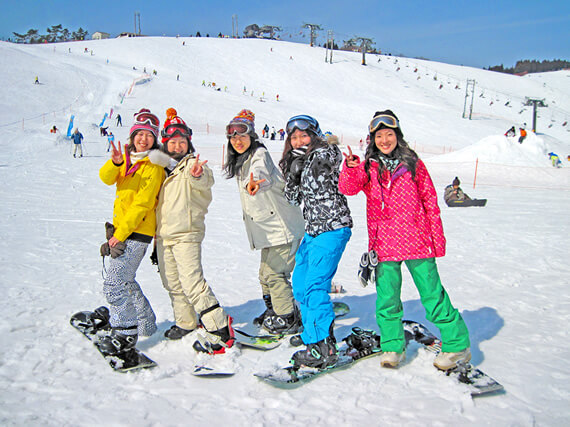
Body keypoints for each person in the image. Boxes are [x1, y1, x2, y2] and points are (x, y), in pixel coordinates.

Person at [338, 109, 471, 370]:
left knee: (432, 296)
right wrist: (350, 168)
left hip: (418, 241)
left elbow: (430, 201)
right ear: (372, 138)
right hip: (384, 244)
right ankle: (392, 345)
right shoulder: (368, 166)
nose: (385, 140)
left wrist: (437, 239)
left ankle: (457, 345)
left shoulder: (413, 164)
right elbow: (348, 188)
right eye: (379, 136)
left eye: (389, 134)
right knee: (387, 299)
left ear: (398, 136)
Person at [148, 115, 235, 353]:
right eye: (173, 142)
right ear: (164, 143)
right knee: (172, 283)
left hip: (186, 233)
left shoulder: (193, 165)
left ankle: (219, 327)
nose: (177, 146)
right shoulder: (160, 169)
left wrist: (197, 174)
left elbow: (205, 181)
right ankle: (185, 322)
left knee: (192, 282)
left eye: (182, 142)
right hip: (163, 235)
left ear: (189, 143)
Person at [279, 115, 353, 368]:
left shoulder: (325, 153)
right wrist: (292, 171)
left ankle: (322, 345)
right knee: (300, 284)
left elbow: (325, 174)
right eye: (294, 137)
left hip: (332, 228)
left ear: (314, 135)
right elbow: (291, 198)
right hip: (313, 232)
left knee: (314, 287)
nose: (299, 140)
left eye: (304, 135)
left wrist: (307, 163)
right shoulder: (298, 159)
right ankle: (313, 333)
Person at [223, 110, 304, 334]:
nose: (237, 141)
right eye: (233, 137)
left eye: (242, 136)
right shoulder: (243, 160)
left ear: (252, 137)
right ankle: (274, 309)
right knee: (265, 273)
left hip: (283, 228)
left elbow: (262, 171)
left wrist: (260, 181)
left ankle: (287, 317)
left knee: (276, 274)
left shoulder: (259, 154)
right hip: (268, 230)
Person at [97, 108, 166, 355]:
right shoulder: (126, 158)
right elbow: (106, 178)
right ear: (133, 135)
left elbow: (144, 203)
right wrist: (114, 162)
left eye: (149, 135)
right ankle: (146, 323)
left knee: (114, 284)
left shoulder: (154, 165)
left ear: (154, 139)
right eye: (140, 134)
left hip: (137, 231)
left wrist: (121, 234)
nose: (143, 139)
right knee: (125, 279)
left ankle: (125, 333)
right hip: (123, 229)